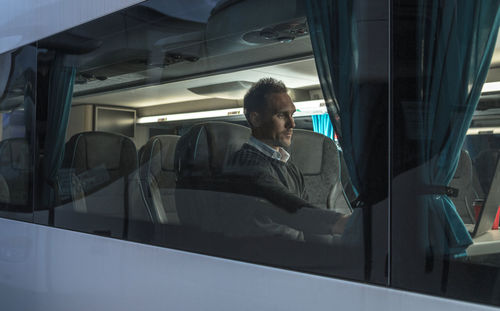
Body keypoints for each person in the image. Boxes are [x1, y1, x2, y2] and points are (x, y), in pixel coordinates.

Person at [226, 77, 349, 241]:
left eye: (292, 114)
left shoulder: (288, 165)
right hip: (263, 259)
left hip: (293, 256)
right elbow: (288, 207)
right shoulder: (246, 166)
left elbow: (303, 211)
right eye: (281, 115)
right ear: (255, 119)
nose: (292, 123)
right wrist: (341, 223)